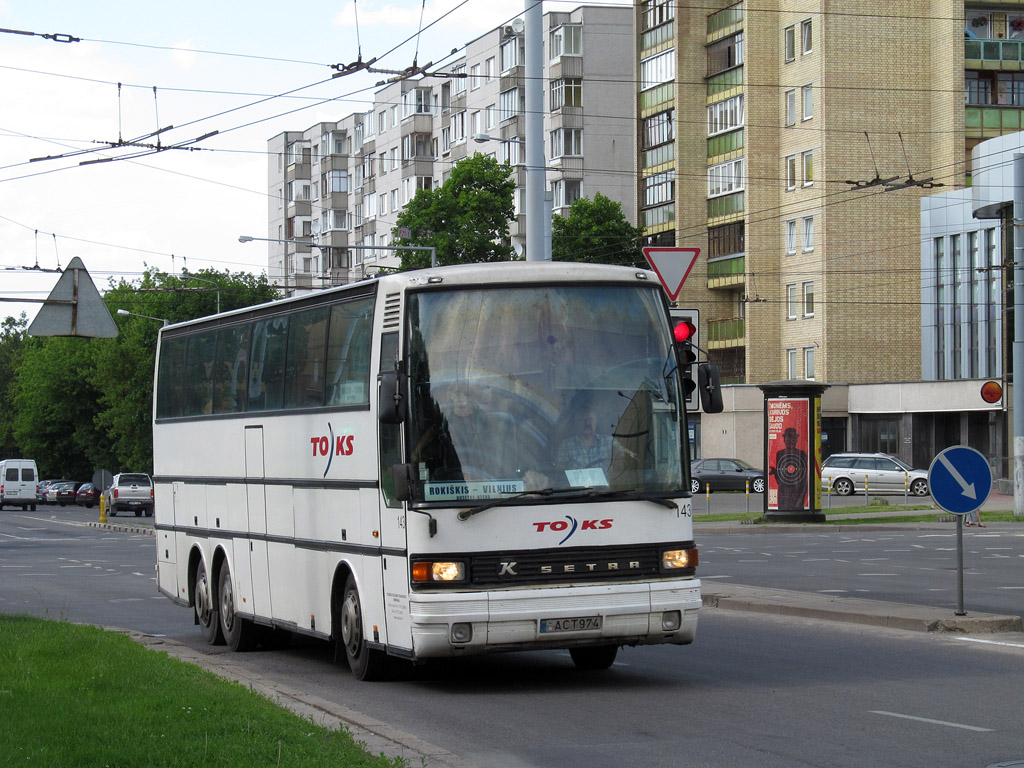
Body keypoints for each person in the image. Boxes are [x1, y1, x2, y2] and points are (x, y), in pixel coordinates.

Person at [557, 405, 614, 470]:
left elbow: (626, 457)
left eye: (590, 419)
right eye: (582, 420)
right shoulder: (566, 446)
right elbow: (560, 473)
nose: (587, 423)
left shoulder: (609, 442)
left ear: (596, 422)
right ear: (576, 424)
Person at [771, 426, 808, 510]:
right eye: (788, 440)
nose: (791, 442)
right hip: (784, 490)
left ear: (796, 440)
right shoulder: (780, 454)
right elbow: (780, 473)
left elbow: (804, 475)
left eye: (793, 440)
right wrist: (775, 472)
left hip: (797, 489)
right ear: (784, 440)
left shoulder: (801, 454)